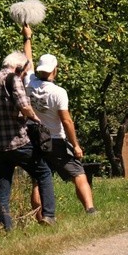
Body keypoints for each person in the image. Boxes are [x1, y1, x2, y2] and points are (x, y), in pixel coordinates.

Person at [0, 29, 56, 230]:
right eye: (25, 71)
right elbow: (23, 105)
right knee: (43, 172)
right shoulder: (13, 79)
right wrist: (36, 120)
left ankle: (5, 229)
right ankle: (49, 215)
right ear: (18, 68)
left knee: (1, 189)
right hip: (17, 143)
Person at [23, 34, 96, 215]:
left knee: (38, 179)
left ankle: (40, 218)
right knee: (78, 174)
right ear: (54, 70)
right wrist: (76, 145)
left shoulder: (28, 82)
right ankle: (90, 209)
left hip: (34, 138)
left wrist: (27, 38)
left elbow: (28, 60)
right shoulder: (59, 92)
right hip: (55, 140)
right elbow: (66, 121)